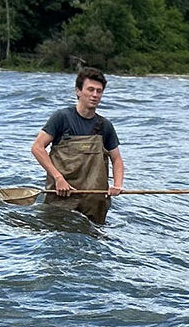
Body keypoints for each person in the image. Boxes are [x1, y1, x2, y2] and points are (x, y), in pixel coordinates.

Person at [30, 66, 124, 223]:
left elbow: (117, 160)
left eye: (99, 91)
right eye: (91, 89)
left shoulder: (105, 126)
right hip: (61, 200)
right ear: (78, 91)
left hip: (94, 204)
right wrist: (58, 178)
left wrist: (118, 185)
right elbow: (37, 148)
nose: (95, 95)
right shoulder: (61, 118)